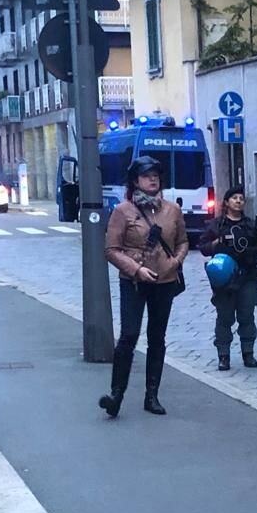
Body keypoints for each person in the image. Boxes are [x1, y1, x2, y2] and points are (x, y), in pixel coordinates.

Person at [100, 156, 188, 417]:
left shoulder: (172, 210)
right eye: (147, 175)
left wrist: (175, 262)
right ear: (136, 181)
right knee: (128, 335)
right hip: (134, 283)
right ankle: (116, 394)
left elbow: (183, 241)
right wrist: (136, 269)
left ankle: (152, 395)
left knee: (157, 338)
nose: (153, 179)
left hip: (165, 281)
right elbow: (111, 250)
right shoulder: (123, 211)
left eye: (156, 175)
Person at [198, 186, 257, 370]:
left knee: (247, 316)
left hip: (247, 276)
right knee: (224, 317)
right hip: (225, 280)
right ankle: (223, 356)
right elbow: (204, 247)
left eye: (241, 198)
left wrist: (253, 246)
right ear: (227, 202)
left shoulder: (250, 225)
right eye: (234, 198)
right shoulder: (216, 225)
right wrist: (218, 242)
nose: (238, 201)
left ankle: (248, 353)